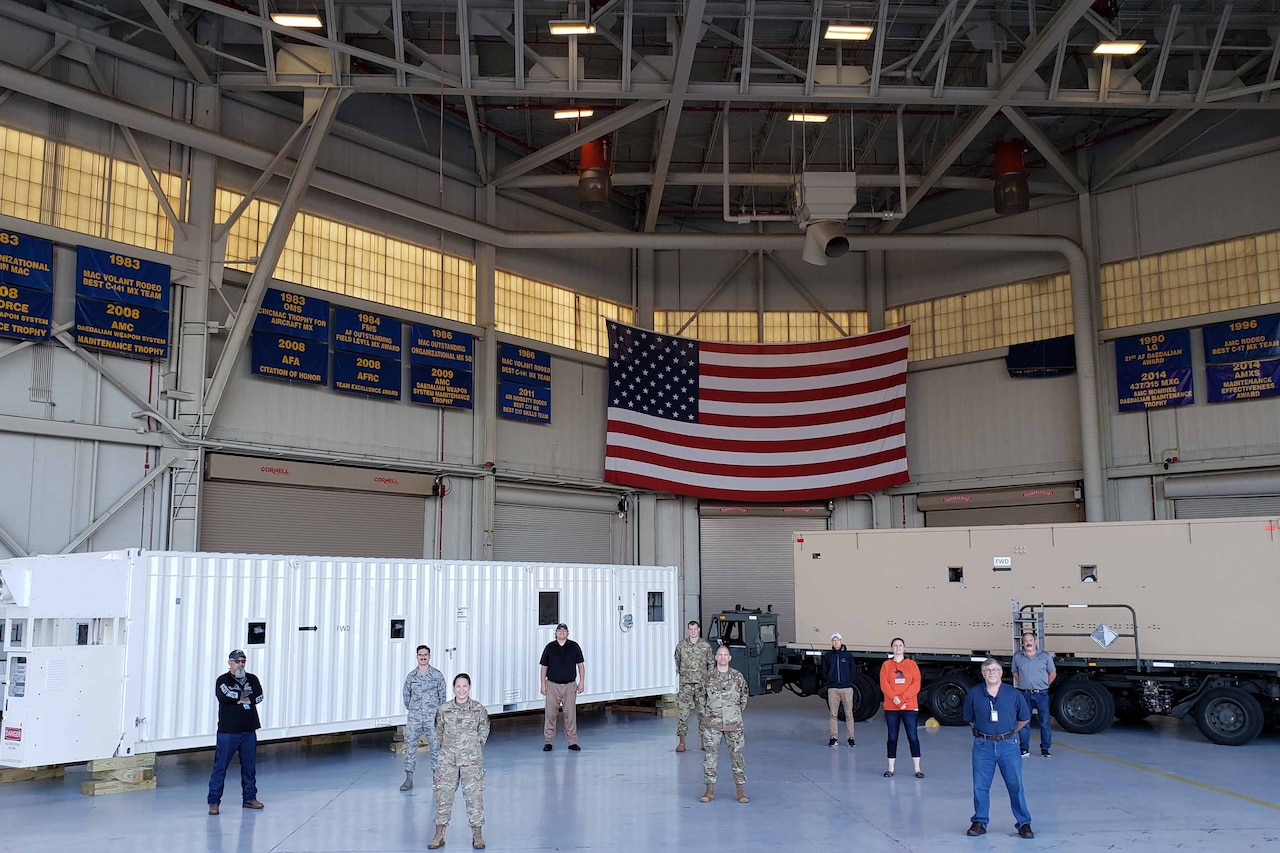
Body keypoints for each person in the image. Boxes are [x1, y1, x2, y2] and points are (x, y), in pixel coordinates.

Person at [962, 658, 1034, 839]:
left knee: (1015, 785)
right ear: (983, 674)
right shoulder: (974, 694)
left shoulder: (1013, 694)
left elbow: (1024, 718)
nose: (991, 672)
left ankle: (1024, 823)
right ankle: (979, 822)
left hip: (1008, 745)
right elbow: (970, 718)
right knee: (980, 786)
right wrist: (986, 733)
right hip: (982, 745)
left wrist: (1007, 734)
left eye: (995, 669)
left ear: (1001, 672)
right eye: (987, 670)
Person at [428, 673, 491, 850]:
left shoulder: (479, 709)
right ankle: (439, 834)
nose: (461, 690)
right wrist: (450, 749)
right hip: (447, 760)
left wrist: (472, 749)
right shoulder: (444, 710)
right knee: (443, 796)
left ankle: (477, 835)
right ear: (454, 688)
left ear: (469, 687)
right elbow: (439, 732)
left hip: (471, 761)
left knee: (474, 797)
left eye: (465, 686)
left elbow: (483, 732)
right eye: (458, 686)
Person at [207, 649, 265, 815]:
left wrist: (242, 698)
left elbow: (259, 696)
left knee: (249, 767)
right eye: (237, 661)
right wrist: (244, 697)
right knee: (220, 767)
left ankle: (249, 798)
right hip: (228, 731)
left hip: (249, 730)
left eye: (243, 661)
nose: (240, 664)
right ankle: (214, 802)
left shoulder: (252, 679)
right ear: (230, 663)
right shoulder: (222, 680)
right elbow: (226, 696)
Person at [699, 644, 750, 804]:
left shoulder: (737, 677)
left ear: (729, 658)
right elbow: (701, 698)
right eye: (719, 654)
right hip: (712, 724)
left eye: (725, 655)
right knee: (710, 758)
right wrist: (707, 714)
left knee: (737, 757)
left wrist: (735, 713)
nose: (722, 657)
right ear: (715, 658)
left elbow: (744, 696)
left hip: (733, 724)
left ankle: (741, 792)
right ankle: (709, 791)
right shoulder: (707, 677)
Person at [400, 644, 447, 790]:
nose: (423, 657)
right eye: (420, 655)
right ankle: (409, 778)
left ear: (429, 656)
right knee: (410, 747)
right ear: (417, 657)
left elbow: (442, 695)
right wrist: (413, 709)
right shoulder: (411, 677)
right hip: (415, 717)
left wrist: (437, 712)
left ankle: (437, 778)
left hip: (432, 717)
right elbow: (406, 695)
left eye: (425, 654)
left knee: (435, 747)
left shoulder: (437, 675)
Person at [879, 637, 923, 778]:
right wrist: (896, 700)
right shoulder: (886, 665)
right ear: (892, 648)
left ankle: (917, 769)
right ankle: (890, 768)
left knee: (913, 736)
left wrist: (903, 699)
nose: (898, 648)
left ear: (904, 648)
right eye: (895, 645)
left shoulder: (912, 665)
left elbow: (916, 684)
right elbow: (884, 685)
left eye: (900, 645)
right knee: (892, 737)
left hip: (909, 706)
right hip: (892, 708)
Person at [539, 622, 585, 751]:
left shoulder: (574, 646)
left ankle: (572, 742)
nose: (562, 633)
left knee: (570, 715)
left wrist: (581, 682)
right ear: (556, 633)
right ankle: (548, 742)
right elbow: (544, 667)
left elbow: (581, 665)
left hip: (570, 685)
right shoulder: (550, 647)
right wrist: (543, 685)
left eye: (564, 631)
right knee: (550, 714)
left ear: (567, 633)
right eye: (559, 631)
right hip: (552, 685)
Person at [1012, 631, 1057, 758]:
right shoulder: (1017, 656)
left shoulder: (1045, 656)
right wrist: (1023, 682)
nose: (1028, 643)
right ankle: (1024, 749)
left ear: (1035, 641)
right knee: (1024, 722)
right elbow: (1014, 672)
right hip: (1024, 694)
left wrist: (1045, 685)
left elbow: (1053, 673)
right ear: (1023, 643)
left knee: (1044, 722)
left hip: (1041, 694)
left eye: (1030, 640)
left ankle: (1045, 748)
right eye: (1025, 641)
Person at [673, 619, 714, 752]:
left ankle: (704, 741)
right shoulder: (681, 646)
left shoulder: (705, 646)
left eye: (695, 629)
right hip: (685, 685)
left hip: (701, 685)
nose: (693, 631)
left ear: (699, 630)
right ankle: (682, 742)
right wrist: (684, 674)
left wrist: (708, 681)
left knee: (703, 714)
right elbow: (677, 661)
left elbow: (710, 664)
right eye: (690, 629)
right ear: (688, 630)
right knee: (683, 714)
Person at [822, 632, 856, 747]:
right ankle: (833, 737)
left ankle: (851, 738)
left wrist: (848, 681)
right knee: (833, 714)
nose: (836, 642)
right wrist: (830, 681)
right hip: (833, 689)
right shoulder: (828, 656)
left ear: (841, 641)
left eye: (837, 640)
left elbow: (853, 670)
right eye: (833, 640)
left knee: (849, 714)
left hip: (846, 688)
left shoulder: (848, 655)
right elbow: (824, 671)